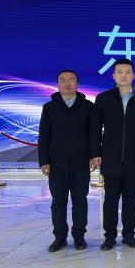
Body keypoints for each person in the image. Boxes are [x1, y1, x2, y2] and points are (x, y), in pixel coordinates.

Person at [90, 58, 135, 251]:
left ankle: (129, 235)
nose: (124, 75)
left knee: (130, 198)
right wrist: (96, 152)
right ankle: (109, 237)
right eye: (119, 72)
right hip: (110, 156)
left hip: (134, 156)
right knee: (110, 198)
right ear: (113, 76)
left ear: (133, 76)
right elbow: (95, 128)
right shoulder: (103, 98)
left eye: (127, 72)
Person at [38, 69, 94, 252]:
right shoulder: (49, 107)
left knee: (80, 201)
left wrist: (93, 156)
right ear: (57, 84)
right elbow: (43, 137)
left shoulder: (88, 106)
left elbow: (93, 135)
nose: (67, 83)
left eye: (71, 80)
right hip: (56, 164)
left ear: (77, 84)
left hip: (81, 163)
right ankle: (59, 238)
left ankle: (79, 237)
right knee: (58, 202)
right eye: (63, 80)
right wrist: (44, 160)